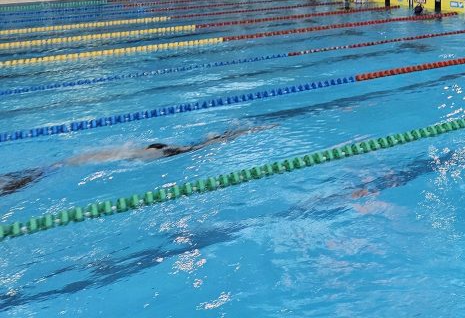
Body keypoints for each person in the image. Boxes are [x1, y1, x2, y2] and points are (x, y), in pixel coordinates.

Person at [0, 126, 273, 197]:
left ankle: (225, 136)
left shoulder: (129, 153)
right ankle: (226, 136)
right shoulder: (144, 153)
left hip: (57, 167)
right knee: (196, 147)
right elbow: (191, 148)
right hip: (152, 152)